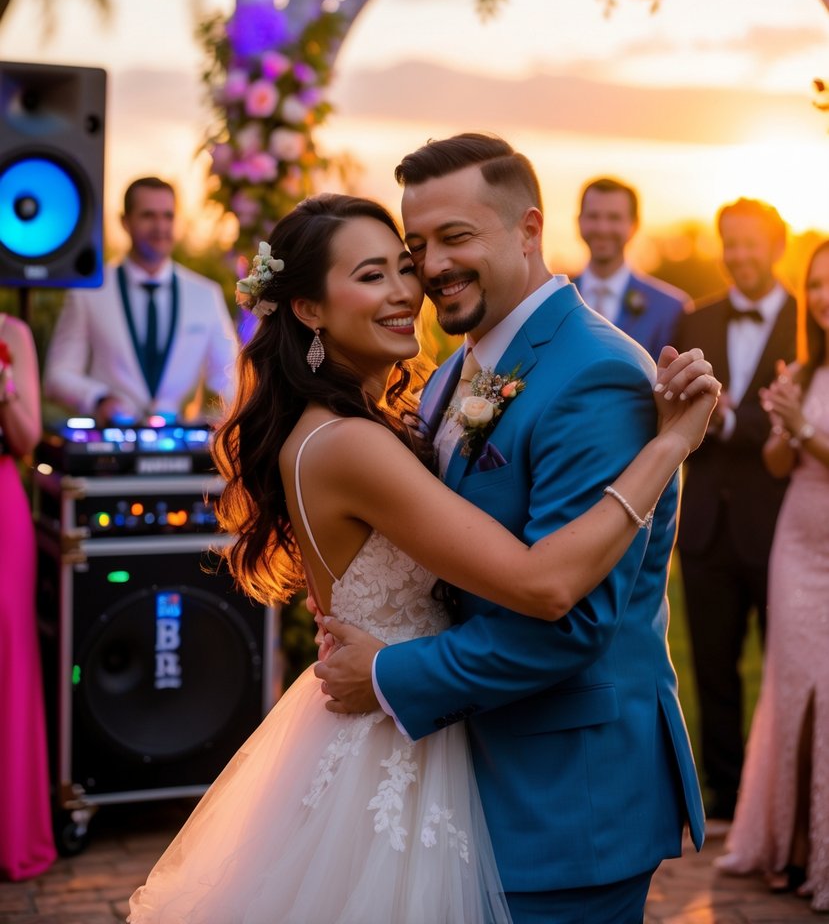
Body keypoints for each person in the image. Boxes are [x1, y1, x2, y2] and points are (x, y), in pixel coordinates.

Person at [128, 191, 718, 924]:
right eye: (371, 276)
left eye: (403, 268)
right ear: (309, 309)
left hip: (417, 731)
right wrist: (667, 447)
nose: (408, 289)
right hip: (396, 749)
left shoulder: (369, 419)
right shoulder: (351, 445)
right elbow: (542, 583)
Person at [313, 135, 708, 924]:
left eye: (455, 238)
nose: (430, 268)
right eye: (415, 246)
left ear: (527, 230)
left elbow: (571, 625)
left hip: (566, 793)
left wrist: (389, 675)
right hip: (475, 776)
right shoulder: (454, 372)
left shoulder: (595, 375)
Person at [715, 239, 829, 911]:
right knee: (788, 691)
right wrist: (784, 427)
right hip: (797, 544)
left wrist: (801, 430)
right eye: (813, 285)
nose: (820, 297)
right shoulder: (808, 371)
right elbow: (778, 466)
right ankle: (786, 846)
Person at [676, 197, 797, 830]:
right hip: (704, 530)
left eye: (752, 243)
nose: (740, 255)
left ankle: (781, 800)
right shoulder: (695, 321)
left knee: (787, 672)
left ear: (777, 247)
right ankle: (724, 802)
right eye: (731, 243)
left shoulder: (811, 322)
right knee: (713, 671)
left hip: (784, 527)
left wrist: (726, 418)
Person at [44, 177, 238, 425]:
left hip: (177, 443)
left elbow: (228, 375)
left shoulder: (205, 294)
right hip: (112, 444)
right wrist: (99, 398)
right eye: (148, 215)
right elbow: (58, 375)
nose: (160, 227)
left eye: (168, 216)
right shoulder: (87, 293)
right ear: (125, 222)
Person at [0, 312, 57, 880]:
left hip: (1, 500)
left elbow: (26, 438)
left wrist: (3, 381)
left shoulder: (10, 332)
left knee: (9, 656)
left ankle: (10, 832)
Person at [572, 176, 690, 360]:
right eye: (593, 216)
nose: (602, 228)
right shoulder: (554, 297)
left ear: (634, 225)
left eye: (614, 218)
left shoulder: (671, 309)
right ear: (579, 221)